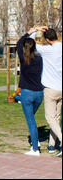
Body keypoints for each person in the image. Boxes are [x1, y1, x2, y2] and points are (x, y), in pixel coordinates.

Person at [30, 27, 62, 157]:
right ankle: (51, 145)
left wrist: (36, 30)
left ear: (47, 39)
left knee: (50, 118)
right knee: (56, 118)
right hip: (61, 88)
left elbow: (30, 41)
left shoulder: (46, 50)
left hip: (50, 89)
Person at [16, 28, 45, 156]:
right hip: (39, 93)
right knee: (31, 117)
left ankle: (35, 148)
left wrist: (30, 31)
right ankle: (35, 141)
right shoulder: (40, 59)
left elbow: (18, 43)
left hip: (27, 93)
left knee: (31, 121)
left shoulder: (23, 58)